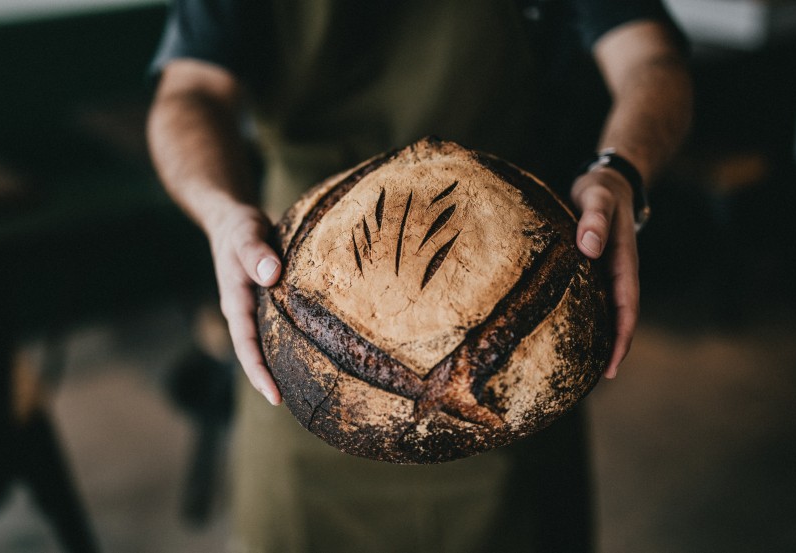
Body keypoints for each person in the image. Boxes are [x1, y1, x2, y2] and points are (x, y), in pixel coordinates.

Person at [147, 1, 692, 551]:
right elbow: (188, 93)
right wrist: (221, 214)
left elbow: (651, 59)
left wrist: (620, 171)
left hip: (509, 299)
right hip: (303, 321)